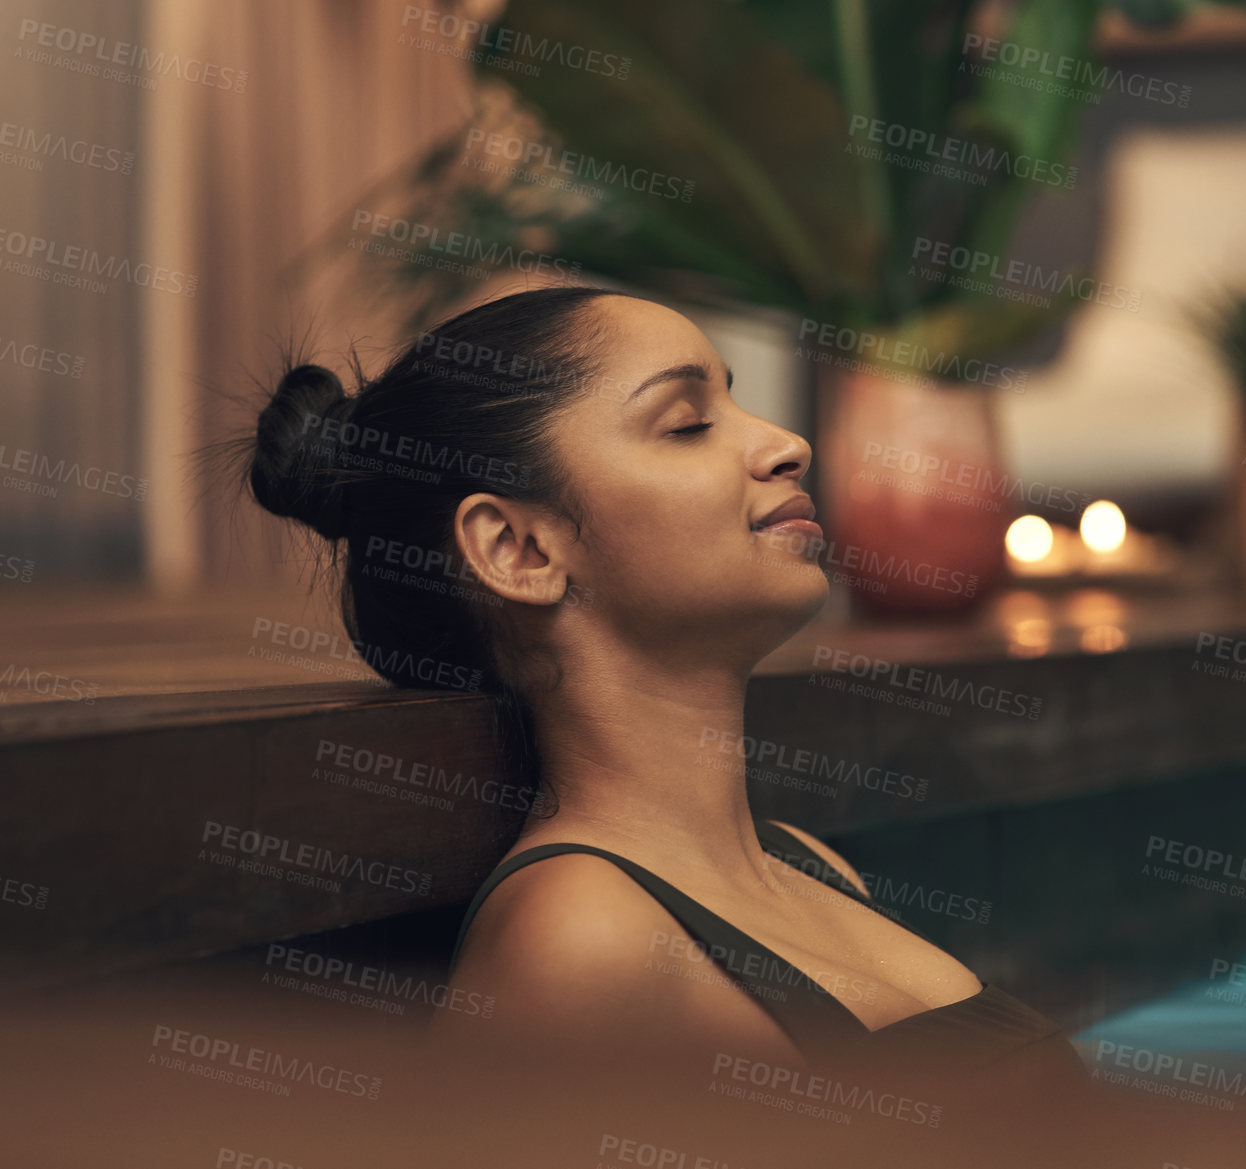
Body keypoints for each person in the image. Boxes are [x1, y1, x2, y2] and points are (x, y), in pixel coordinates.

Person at [246, 287, 1114, 1165]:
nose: (787, 444)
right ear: (520, 551)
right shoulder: (578, 944)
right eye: (688, 423)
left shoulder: (810, 862)